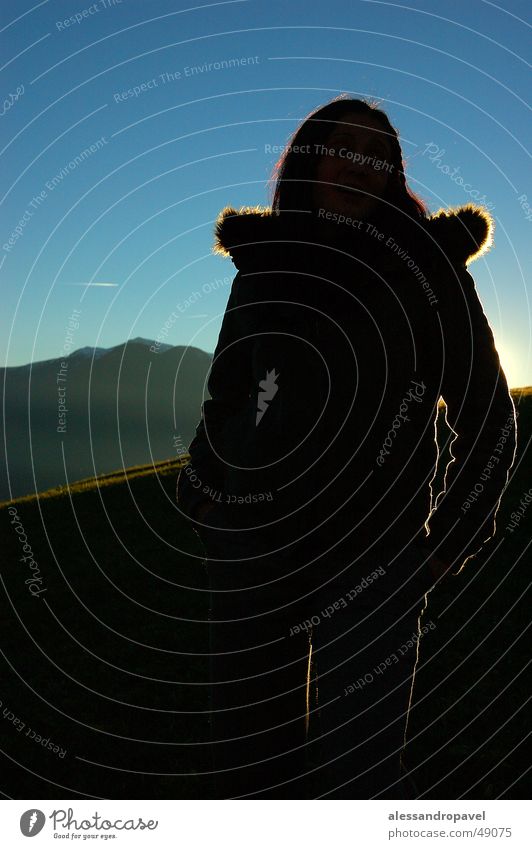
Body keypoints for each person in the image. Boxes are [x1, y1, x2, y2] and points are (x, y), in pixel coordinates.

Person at [176, 96, 516, 799]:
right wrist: (204, 495)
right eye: (343, 144)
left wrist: (443, 546)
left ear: (391, 175)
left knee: (361, 778)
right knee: (248, 767)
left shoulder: (430, 268)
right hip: (250, 550)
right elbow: (227, 395)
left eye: (378, 153)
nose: (358, 163)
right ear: (310, 158)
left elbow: (487, 416)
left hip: (374, 561)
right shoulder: (265, 262)